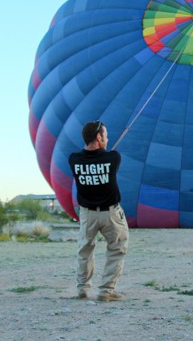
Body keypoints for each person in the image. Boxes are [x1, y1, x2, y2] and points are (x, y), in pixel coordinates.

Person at [68, 120, 129, 302]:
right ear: (98, 137)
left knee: (84, 250)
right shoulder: (113, 158)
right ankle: (106, 291)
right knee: (117, 249)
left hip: (87, 214)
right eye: (106, 135)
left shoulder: (74, 159)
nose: (108, 139)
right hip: (110, 214)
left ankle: (82, 288)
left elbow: (91, 158)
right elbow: (107, 157)